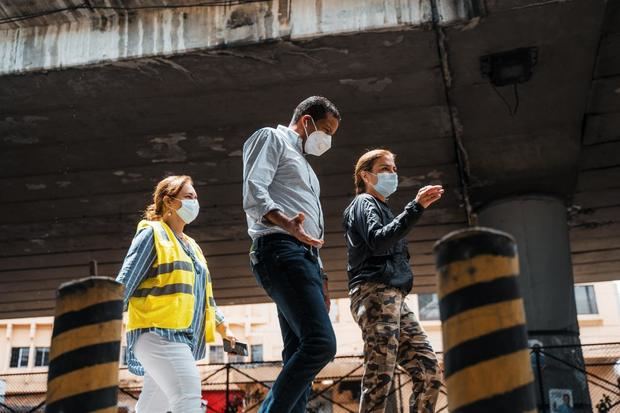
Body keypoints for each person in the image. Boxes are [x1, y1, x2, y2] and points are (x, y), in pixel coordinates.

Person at [242, 96, 341, 412]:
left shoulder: (306, 167)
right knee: (321, 343)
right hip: (281, 249)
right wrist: (287, 223)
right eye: (326, 130)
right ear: (307, 121)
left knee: (298, 349)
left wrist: (321, 276)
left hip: (304, 258)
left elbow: (310, 228)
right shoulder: (271, 138)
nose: (327, 140)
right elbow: (254, 191)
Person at [116, 175, 237, 413]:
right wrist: (99, 324)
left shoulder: (192, 246)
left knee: (153, 407)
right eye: (189, 197)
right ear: (169, 202)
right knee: (188, 397)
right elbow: (124, 284)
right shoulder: (152, 235)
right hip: (157, 333)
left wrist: (223, 327)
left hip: (181, 336)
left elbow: (203, 295)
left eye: (196, 197)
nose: (195, 203)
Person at [343, 149, 444, 413]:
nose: (392, 174)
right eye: (385, 169)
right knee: (380, 376)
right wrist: (416, 207)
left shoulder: (383, 208)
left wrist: (413, 210)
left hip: (396, 297)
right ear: (366, 175)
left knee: (429, 371)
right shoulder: (363, 203)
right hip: (375, 293)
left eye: (394, 169)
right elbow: (378, 241)